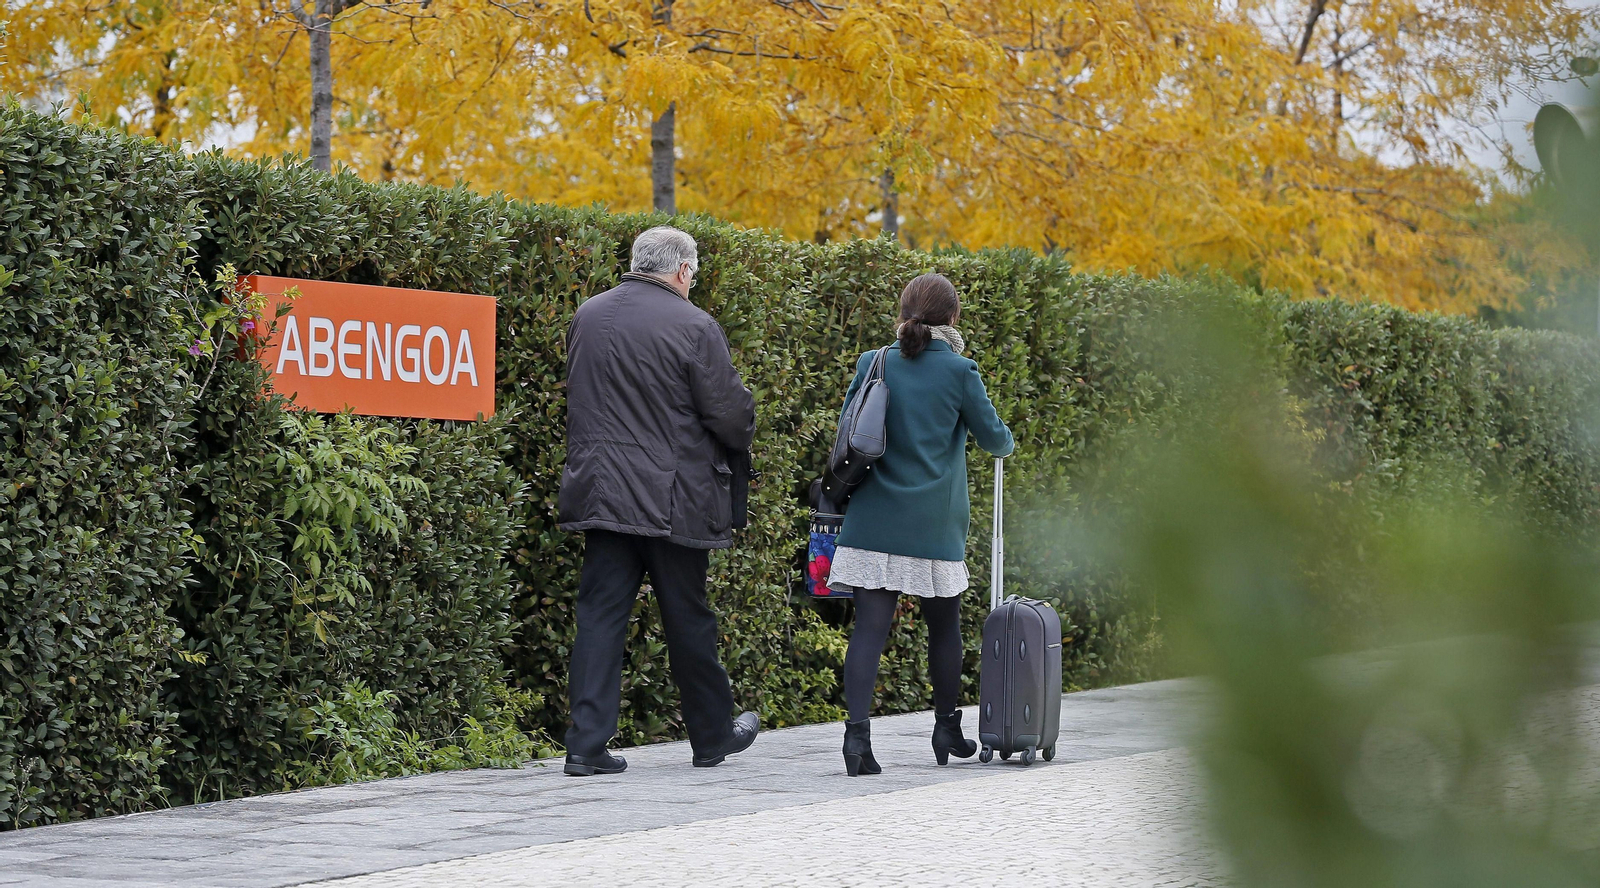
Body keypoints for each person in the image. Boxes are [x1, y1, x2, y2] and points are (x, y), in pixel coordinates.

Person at [557, 225, 761, 776]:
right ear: (682, 272)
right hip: (672, 497)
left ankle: (586, 745)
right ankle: (712, 736)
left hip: (603, 491)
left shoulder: (589, 316)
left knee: (600, 615)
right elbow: (728, 413)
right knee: (687, 616)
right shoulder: (694, 325)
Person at [826, 272, 1014, 777]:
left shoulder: (876, 361)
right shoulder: (960, 370)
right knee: (943, 630)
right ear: (952, 318)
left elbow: (849, 428)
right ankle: (946, 728)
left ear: (904, 313)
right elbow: (997, 441)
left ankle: (857, 741)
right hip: (933, 524)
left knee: (868, 631)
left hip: (871, 520)